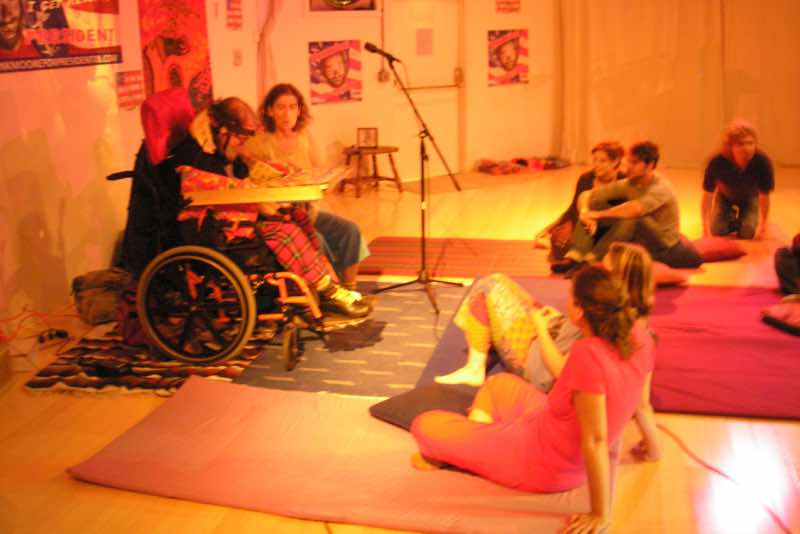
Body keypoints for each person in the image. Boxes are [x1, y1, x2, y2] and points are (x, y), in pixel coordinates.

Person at [411, 264, 656, 533]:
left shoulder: (588, 354)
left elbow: (595, 440)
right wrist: (653, 449)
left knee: (424, 425)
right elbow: (642, 404)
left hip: (543, 463)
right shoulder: (641, 337)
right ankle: (476, 445)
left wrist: (600, 514)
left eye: (570, 296)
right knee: (498, 384)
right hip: (544, 423)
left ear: (579, 311)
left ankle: (473, 448)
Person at [169, 96, 370, 318]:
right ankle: (325, 290)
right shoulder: (195, 156)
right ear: (224, 131)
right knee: (285, 231)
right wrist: (258, 203)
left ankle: (327, 287)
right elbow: (209, 191)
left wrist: (273, 176)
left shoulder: (223, 147)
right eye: (241, 138)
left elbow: (243, 178)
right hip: (213, 228)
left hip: (236, 215)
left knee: (297, 217)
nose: (243, 143)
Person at [242, 83, 369, 289]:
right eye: (281, 107)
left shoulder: (304, 137)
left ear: (299, 110)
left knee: (350, 230)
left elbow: (319, 173)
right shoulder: (260, 142)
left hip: (307, 212)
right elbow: (247, 171)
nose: (287, 114)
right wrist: (276, 169)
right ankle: (328, 293)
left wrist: (333, 179)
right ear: (270, 111)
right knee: (318, 239)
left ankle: (350, 287)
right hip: (282, 217)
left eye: (292, 107)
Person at [564, 141, 702, 269]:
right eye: (628, 161)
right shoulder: (630, 183)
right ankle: (575, 257)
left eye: (634, 163)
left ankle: (593, 260)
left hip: (663, 244)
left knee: (632, 218)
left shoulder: (661, 187)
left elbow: (635, 209)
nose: (628, 167)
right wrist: (585, 212)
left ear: (650, 165)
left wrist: (598, 215)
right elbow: (587, 195)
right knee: (595, 204)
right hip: (639, 238)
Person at [536, 141, 625, 265]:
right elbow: (575, 209)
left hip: (610, 225)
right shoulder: (586, 179)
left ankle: (591, 254)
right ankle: (582, 254)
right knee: (560, 245)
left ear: (615, 162)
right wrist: (550, 228)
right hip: (585, 224)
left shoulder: (624, 180)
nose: (597, 165)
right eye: (595, 160)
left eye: (602, 161)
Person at [701, 120, 774, 240]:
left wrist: (763, 224)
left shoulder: (762, 162)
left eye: (750, 143)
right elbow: (707, 196)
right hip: (725, 197)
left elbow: (764, 196)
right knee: (717, 230)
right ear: (730, 147)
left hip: (750, 198)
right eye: (740, 144)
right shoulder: (717, 162)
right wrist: (705, 227)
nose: (746, 148)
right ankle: (733, 217)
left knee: (748, 233)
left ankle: (743, 220)